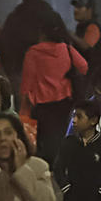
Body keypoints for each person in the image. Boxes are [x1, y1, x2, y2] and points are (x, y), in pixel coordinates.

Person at [22, 15, 89, 150]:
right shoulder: (66, 49)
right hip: (65, 104)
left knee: (45, 144)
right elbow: (84, 66)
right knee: (62, 140)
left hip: (42, 107)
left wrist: (24, 112)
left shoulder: (33, 53)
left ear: (41, 32)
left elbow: (26, 86)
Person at [0, 0, 61, 81]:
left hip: (20, 68)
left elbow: (4, 43)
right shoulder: (52, 16)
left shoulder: (15, 18)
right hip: (51, 69)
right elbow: (63, 41)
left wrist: (10, 68)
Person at [72, 0, 101, 69]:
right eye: (75, 7)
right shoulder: (81, 27)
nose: (75, 10)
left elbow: (85, 46)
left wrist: (69, 34)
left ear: (89, 10)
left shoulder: (93, 27)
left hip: (92, 76)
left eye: (80, 7)